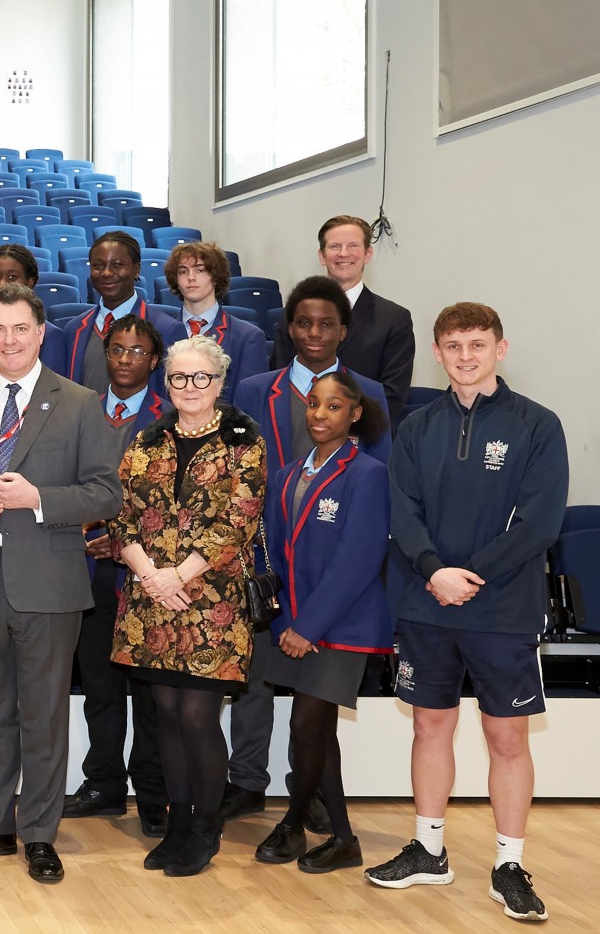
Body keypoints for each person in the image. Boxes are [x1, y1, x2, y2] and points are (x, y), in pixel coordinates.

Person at [367, 303, 567, 922]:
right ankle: (429, 849)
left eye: (477, 344)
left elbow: (540, 521)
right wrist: (434, 572)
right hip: (428, 604)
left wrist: (471, 577)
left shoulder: (538, 425)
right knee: (431, 726)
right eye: (453, 345)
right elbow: (401, 512)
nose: (465, 356)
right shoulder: (416, 427)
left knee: (506, 736)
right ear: (437, 351)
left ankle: (509, 863)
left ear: (500, 349)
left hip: (503, 606)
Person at [0, 283, 120, 883]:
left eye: (20, 329)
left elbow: (107, 494)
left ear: (40, 334)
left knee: (42, 716)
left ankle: (39, 833)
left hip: (50, 586)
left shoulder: (81, 403)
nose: (9, 341)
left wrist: (40, 500)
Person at [225, 276, 392, 823]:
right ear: (288, 327)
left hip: (331, 558)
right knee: (254, 676)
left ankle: (310, 794)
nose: (314, 333)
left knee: (312, 703)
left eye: (326, 323)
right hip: (265, 556)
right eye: (303, 322)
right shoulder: (254, 388)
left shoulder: (367, 391)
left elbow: (379, 479)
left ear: (344, 330)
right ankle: (247, 780)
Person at [109, 335, 265, 877]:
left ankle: (206, 826)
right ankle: (176, 826)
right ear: (166, 382)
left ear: (220, 383)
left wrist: (179, 574)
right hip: (152, 600)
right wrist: (151, 575)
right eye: (179, 378)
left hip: (210, 604)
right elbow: (121, 516)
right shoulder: (146, 441)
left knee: (198, 717)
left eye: (201, 378)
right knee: (166, 718)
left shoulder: (244, 441)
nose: (189, 387)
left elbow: (239, 520)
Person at [252, 371, 391, 874]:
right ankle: (344, 836)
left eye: (333, 407)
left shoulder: (368, 474)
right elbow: (278, 557)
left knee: (308, 723)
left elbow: (359, 560)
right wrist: (290, 621)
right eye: (313, 404)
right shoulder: (288, 473)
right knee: (317, 733)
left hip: (340, 626)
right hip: (296, 625)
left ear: (355, 414)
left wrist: (308, 626)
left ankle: (292, 822)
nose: (319, 414)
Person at [61, 315, 168, 833]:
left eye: (137, 350)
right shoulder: (76, 408)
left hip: (147, 577)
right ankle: (103, 782)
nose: (126, 359)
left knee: (147, 693)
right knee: (101, 687)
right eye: (117, 350)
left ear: (154, 360)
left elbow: (174, 505)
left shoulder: (169, 416)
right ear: (105, 355)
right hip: (89, 569)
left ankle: (152, 792)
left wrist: (127, 541)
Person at [271, 215, 415, 424]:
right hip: (294, 434)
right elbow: (279, 379)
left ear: (367, 254)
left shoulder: (394, 319)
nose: (344, 253)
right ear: (322, 255)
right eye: (335, 246)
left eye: (353, 246)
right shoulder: (293, 314)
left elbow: (391, 396)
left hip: (360, 439)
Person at [51, 231, 182, 391]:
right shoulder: (74, 328)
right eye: (98, 266)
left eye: (117, 265)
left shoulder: (166, 329)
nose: (106, 273)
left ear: (136, 269)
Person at [168, 240, 269, 400]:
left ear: (215, 277)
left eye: (200, 270)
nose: (191, 278)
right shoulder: (162, 332)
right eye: (183, 271)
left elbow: (250, 402)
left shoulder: (247, 337)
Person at [0, 243, 70, 370]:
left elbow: (55, 386)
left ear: (30, 282)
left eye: (12, 277)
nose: (1, 283)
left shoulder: (51, 337)